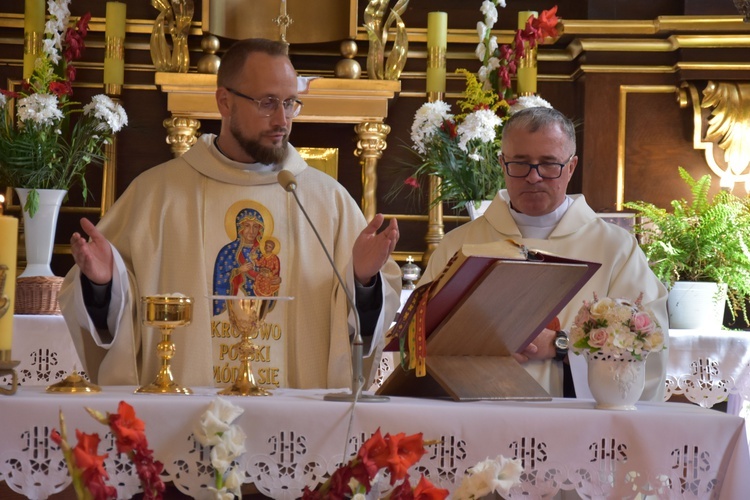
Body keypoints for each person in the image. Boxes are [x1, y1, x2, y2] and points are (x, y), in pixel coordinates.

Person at [59, 38, 401, 390]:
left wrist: (363, 280)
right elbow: (115, 316)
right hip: (185, 420)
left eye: (290, 103)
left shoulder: (326, 202)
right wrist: (103, 285)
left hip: (298, 423)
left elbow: (363, 323)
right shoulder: (156, 196)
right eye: (268, 103)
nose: (282, 119)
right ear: (224, 101)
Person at [419, 106, 668, 401]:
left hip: (578, 426)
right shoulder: (458, 246)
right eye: (520, 163)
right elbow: (420, 344)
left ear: (571, 166)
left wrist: (563, 346)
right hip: (476, 413)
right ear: (502, 164)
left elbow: (646, 349)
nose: (533, 177)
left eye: (549, 164)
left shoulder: (616, 249)